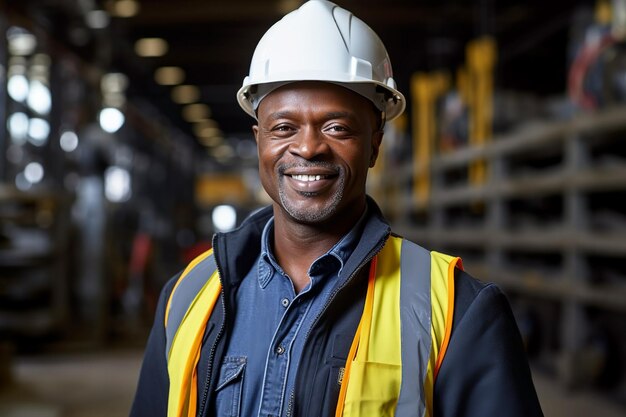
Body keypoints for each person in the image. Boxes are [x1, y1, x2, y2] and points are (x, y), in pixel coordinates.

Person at [130, 1, 544, 416]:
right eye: (284, 128)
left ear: (374, 144)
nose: (308, 147)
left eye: (336, 127)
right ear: (259, 141)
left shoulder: (456, 311)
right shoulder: (187, 296)